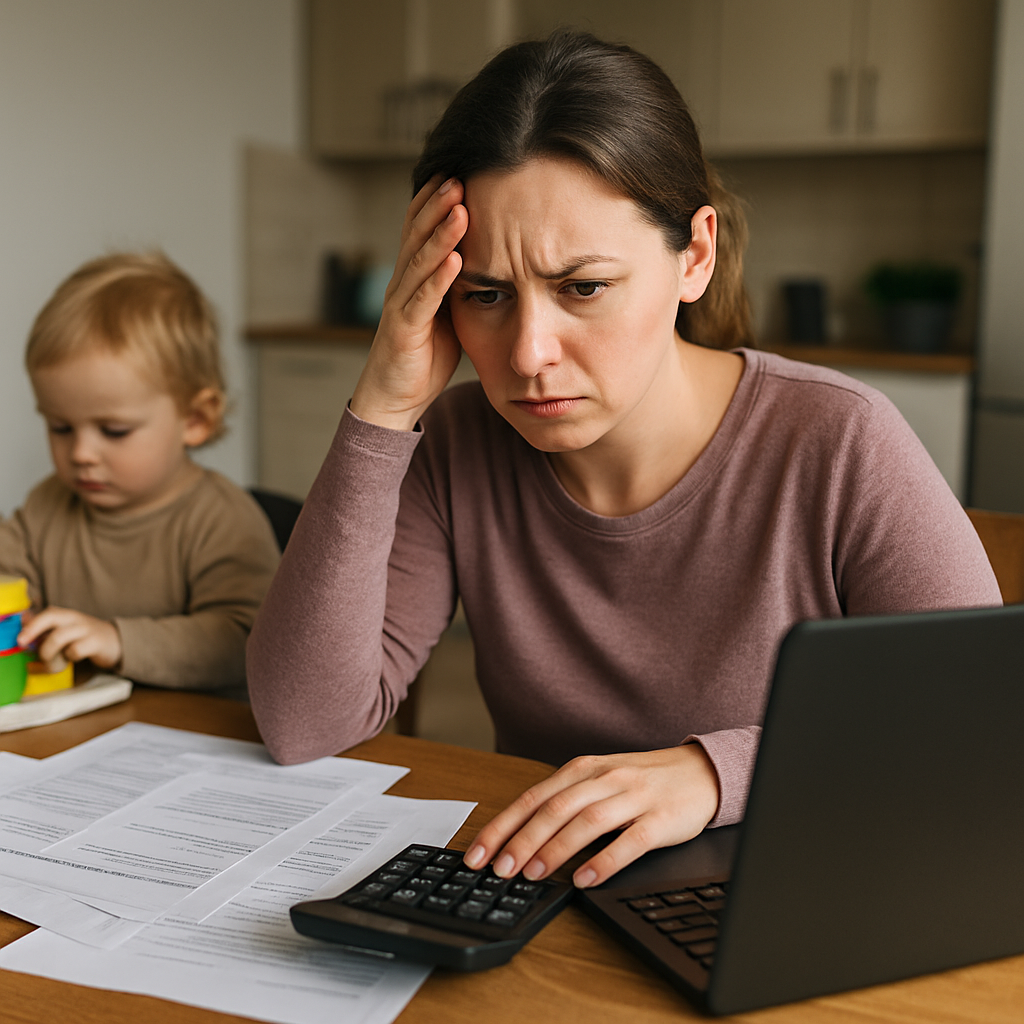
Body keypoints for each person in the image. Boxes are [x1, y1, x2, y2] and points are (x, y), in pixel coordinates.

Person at [247, 32, 1000, 887]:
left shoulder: (840, 439)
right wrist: (383, 406)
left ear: (696, 256)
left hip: (788, 889)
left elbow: (977, 725)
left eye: (584, 288)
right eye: (486, 296)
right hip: (548, 904)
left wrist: (714, 773)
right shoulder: (457, 443)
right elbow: (304, 722)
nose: (529, 352)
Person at [0, 251, 280, 696]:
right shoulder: (47, 504)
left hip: (194, 741)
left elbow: (246, 643)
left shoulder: (222, 520)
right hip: (79, 734)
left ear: (195, 419)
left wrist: (116, 639)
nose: (81, 453)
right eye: (60, 427)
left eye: (114, 430)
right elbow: (8, 577)